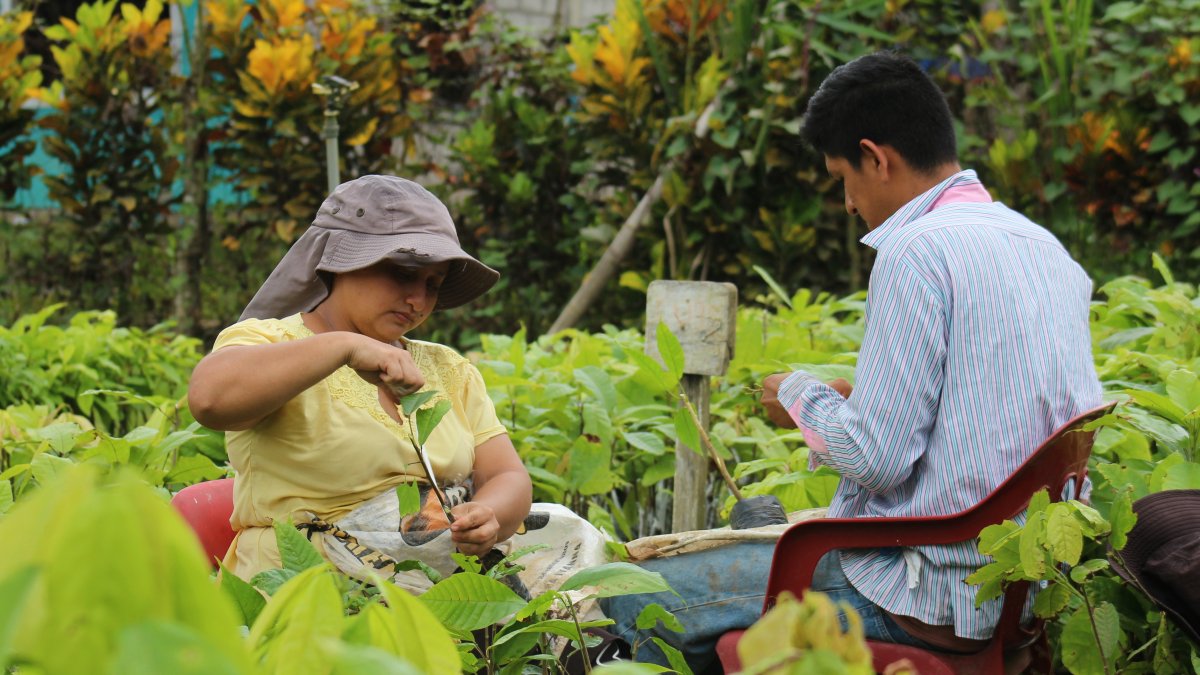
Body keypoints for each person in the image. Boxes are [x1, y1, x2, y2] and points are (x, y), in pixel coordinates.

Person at [600, 51, 1103, 673]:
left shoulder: (915, 251)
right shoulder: (1046, 249)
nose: (847, 202)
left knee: (630, 594)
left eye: (844, 176)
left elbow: (879, 460)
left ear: (877, 157)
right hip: (1019, 594)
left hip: (922, 593)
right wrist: (848, 406)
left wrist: (802, 397)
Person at [188, 176, 606, 600]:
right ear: (341, 260)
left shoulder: (448, 368)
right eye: (404, 274)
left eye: (433, 284)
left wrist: (490, 514)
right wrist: (343, 347)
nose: (418, 301)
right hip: (310, 593)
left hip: (442, 585)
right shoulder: (270, 344)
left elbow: (505, 474)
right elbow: (211, 400)